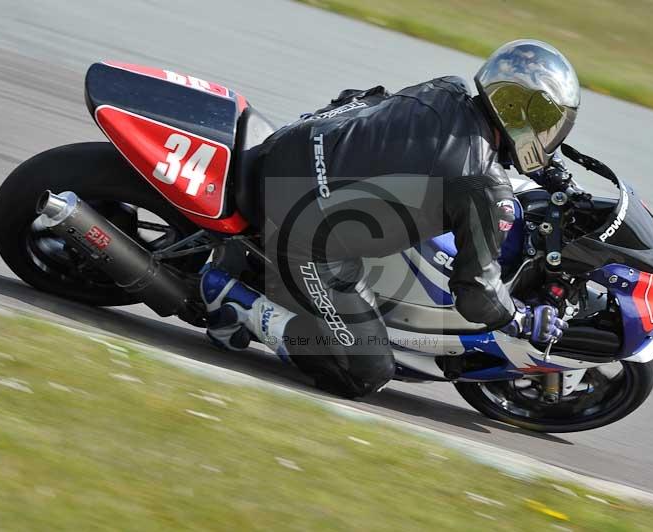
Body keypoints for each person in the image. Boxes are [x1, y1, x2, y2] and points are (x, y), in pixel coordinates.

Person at [201, 39, 575, 398]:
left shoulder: (446, 89)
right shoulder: (485, 189)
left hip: (284, 150)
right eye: (545, 124)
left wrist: (543, 168)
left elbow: (366, 104)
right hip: (303, 232)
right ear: (518, 112)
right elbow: (475, 292)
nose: (548, 134)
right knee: (366, 372)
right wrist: (522, 319)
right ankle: (239, 305)